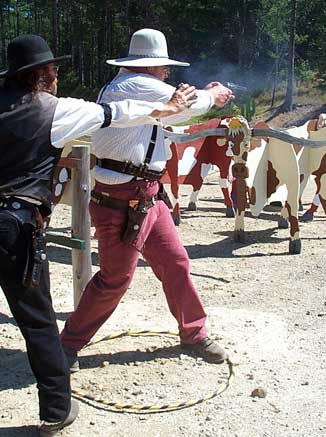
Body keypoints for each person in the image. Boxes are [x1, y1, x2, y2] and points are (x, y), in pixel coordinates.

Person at [0, 34, 197, 436]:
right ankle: (56, 411)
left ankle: (193, 331)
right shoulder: (54, 111)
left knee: (171, 263)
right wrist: (172, 106)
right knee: (38, 323)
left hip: (19, 219)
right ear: (39, 76)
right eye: (52, 70)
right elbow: (116, 112)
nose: (57, 75)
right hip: (14, 225)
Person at [60, 28, 234, 370]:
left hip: (146, 197)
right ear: (149, 66)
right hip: (122, 199)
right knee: (115, 279)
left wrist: (203, 97)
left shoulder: (137, 86)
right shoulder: (136, 85)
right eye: (162, 66)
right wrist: (213, 94)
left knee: (176, 263)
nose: (166, 72)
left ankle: (194, 332)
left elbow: (175, 110)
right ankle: (66, 346)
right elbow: (188, 107)